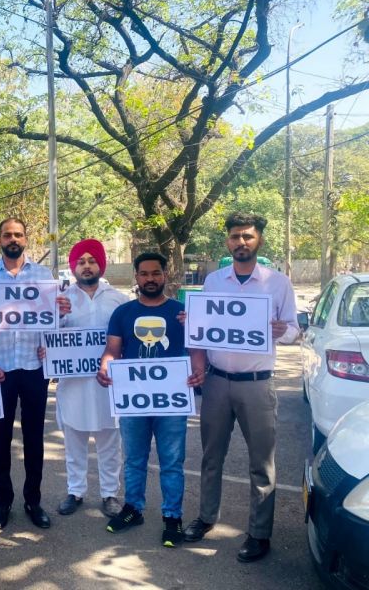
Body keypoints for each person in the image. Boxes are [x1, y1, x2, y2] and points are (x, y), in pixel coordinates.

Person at [183, 213, 298, 563]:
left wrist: (283, 331)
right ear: (227, 241)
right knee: (210, 456)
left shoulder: (278, 283)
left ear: (259, 239)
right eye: (235, 237)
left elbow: (294, 329)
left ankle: (259, 534)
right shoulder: (214, 280)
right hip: (217, 382)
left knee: (261, 465)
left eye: (248, 236)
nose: (241, 242)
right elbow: (203, 326)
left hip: (257, 385)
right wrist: (191, 323)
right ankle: (206, 517)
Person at [97, 252, 205, 548]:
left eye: (155, 273)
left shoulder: (181, 311)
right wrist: (105, 365)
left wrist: (199, 369)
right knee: (134, 459)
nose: (150, 278)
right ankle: (133, 509)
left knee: (172, 461)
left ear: (165, 275)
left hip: (172, 399)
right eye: (144, 274)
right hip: (134, 401)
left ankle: (173, 516)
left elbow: (196, 348)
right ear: (136, 277)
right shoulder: (123, 313)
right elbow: (112, 350)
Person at [0, 218, 67, 530]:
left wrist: (59, 320)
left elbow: (52, 322)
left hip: (34, 368)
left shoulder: (42, 275)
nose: (13, 239)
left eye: (19, 234)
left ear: (26, 239)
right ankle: (3, 502)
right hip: (0, 370)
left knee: (34, 439)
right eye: (8, 234)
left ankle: (33, 501)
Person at [45, 239, 129, 519]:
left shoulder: (118, 298)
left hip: (108, 384)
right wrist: (49, 341)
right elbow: (48, 335)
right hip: (73, 385)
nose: (86, 265)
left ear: (100, 265)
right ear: (74, 267)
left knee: (109, 443)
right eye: (80, 261)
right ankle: (75, 491)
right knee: (74, 441)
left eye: (92, 260)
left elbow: (128, 339)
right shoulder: (61, 299)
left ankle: (109, 494)